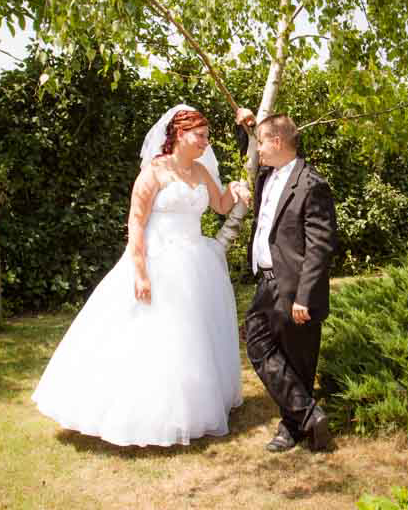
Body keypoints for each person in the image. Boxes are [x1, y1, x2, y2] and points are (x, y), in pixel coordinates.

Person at [32, 104, 250, 447]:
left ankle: (190, 410)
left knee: (192, 337)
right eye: (200, 136)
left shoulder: (200, 171)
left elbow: (220, 206)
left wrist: (235, 190)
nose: (206, 142)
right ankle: (143, 412)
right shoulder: (154, 171)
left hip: (195, 262)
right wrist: (140, 272)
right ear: (180, 134)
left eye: (207, 137)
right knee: (152, 336)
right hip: (157, 260)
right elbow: (136, 221)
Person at [237, 111, 339, 452]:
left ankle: (292, 427)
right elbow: (250, 152)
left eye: (262, 142)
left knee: (297, 360)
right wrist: (246, 127)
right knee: (256, 343)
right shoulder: (267, 175)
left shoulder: (312, 184)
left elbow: (320, 245)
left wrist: (304, 297)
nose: (258, 149)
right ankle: (309, 414)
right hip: (267, 283)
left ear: (278, 142)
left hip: (295, 287)